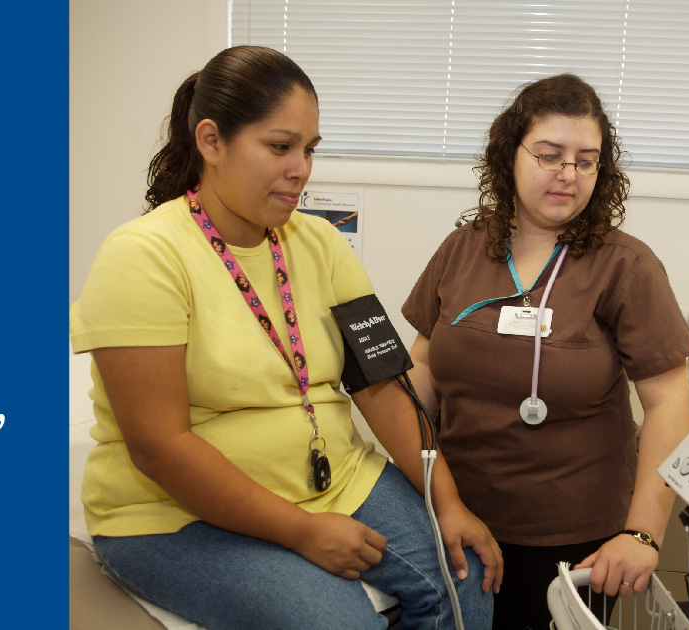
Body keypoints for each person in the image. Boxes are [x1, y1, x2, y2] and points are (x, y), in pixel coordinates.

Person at [71, 46, 499, 629]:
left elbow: (382, 388)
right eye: (280, 147)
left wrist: (447, 502)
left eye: (310, 149)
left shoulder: (319, 245)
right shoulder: (144, 256)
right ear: (211, 142)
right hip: (173, 514)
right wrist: (303, 532)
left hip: (333, 481)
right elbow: (158, 445)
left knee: (466, 579)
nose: (301, 167)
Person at [401, 73, 689, 630]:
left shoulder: (626, 267)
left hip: (573, 545)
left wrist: (642, 533)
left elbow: (668, 403)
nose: (569, 174)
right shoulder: (463, 248)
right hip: (457, 518)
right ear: (508, 153)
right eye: (550, 154)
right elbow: (423, 368)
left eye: (587, 160)